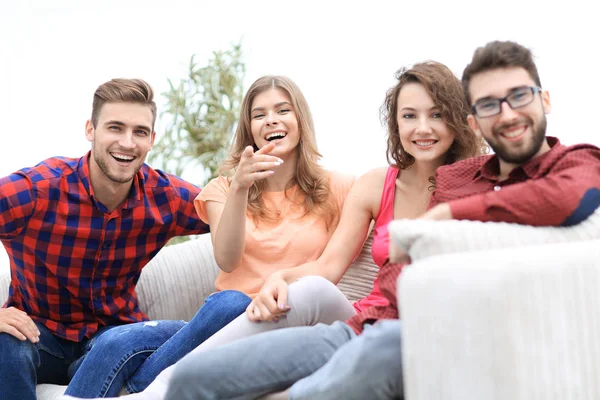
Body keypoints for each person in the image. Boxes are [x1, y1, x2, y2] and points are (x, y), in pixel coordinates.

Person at [165, 41, 600, 400]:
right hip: (361, 325)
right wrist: (281, 275)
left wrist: (445, 216)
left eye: (519, 97)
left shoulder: (570, 164)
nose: (505, 114)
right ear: (475, 118)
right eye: (489, 104)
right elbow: (330, 266)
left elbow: (567, 197)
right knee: (192, 380)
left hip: (417, 335)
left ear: (544, 99)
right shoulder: (460, 176)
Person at [69, 60, 482, 400]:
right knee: (121, 340)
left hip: (308, 317)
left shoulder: (341, 187)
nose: (421, 128)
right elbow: (233, 259)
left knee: (246, 303)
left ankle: (151, 389)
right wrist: (242, 192)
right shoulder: (229, 188)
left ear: (300, 120)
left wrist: (282, 281)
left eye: (282, 110)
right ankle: (143, 389)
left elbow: (329, 271)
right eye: (409, 116)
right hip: (236, 316)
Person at [0, 78, 216, 400]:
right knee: (6, 342)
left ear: (152, 139)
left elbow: (245, 217)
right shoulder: (38, 190)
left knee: (157, 336)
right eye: (115, 128)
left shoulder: (165, 197)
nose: (127, 143)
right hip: (39, 336)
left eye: (140, 132)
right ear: (91, 130)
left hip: (114, 340)